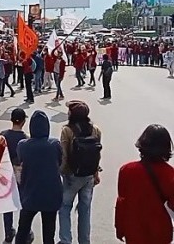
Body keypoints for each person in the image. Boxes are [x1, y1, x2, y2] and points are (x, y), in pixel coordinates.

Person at [115, 124, 174, 244]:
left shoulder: (126, 170)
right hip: (160, 231)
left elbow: (122, 203)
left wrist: (119, 228)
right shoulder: (173, 176)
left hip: (134, 229)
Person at [58, 100, 102, 244]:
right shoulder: (95, 130)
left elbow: (63, 155)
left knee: (64, 208)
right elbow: (97, 154)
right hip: (89, 175)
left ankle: (65, 240)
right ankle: (84, 240)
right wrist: (96, 173)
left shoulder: (67, 131)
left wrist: (61, 173)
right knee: (85, 210)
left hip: (72, 175)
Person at [15, 110, 62, 244]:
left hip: (30, 192)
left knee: (23, 229)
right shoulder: (54, 144)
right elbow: (60, 161)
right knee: (49, 233)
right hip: (51, 194)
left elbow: (20, 159)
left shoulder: (23, 145)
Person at [0, 108, 33, 243]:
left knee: (8, 204)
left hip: (6, 173)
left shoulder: (3, 135)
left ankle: (8, 232)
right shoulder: (25, 139)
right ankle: (24, 231)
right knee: (23, 203)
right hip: (21, 175)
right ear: (24, 122)